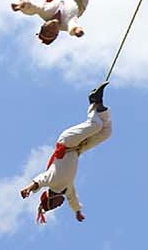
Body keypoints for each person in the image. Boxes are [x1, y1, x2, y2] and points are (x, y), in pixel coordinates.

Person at [20, 83, 112, 223]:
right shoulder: (66, 189)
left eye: (55, 205)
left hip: (67, 142)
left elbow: (40, 180)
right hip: (78, 148)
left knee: (96, 125)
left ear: (51, 198)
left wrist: (28, 188)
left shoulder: (52, 182)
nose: (59, 205)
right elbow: (73, 200)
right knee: (106, 132)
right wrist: (77, 212)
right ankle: (99, 104)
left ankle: (93, 101)